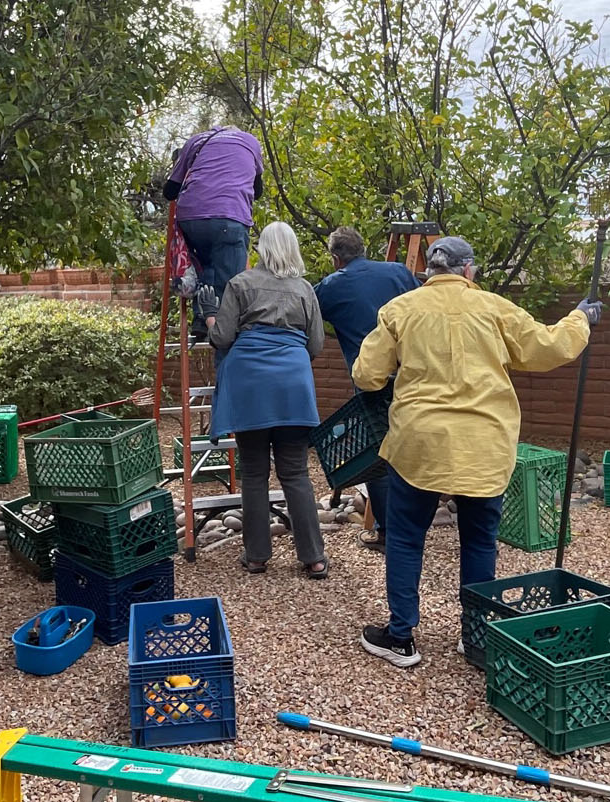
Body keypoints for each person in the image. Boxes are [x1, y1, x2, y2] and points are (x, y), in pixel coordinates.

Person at [352, 237, 601, 667]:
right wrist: (580, 318)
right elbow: (548, 349)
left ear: (429, 271)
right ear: (469, 271)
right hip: (483, 445)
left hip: (420, 444)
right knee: (479, 541)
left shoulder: (399, 310)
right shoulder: (495, 308)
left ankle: (401, 637)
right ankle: (477, 636)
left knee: (408, 538)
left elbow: (368, 376)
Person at [207, 221, 328, 579]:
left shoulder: (240, 284)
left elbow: (222, 338)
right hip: (293, 387)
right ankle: (314, 558)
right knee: (296, 473)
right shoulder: (305, 290)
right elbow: (316, 345)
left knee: (255, 473)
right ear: (293, 250)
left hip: (250, 387)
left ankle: (257, 556)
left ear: (261, 249)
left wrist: (212, 318)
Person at [313, 226, 421, 553]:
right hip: (416, 375)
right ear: (363, 248)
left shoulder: (331, 287)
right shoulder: (399, 272)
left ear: (335, 258)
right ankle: (418, 518)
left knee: (379, 453)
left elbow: (305, 317)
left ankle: (389, 533)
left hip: (372, 380)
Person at [163, 126, 265, 332]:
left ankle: (201, 318)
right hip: (230, 216)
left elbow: (169, 191)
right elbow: (258, 190)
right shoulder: (251, 142)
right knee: (231, 287)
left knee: (206, 261)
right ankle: (221, 334)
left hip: (191, 218)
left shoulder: (195, 142)